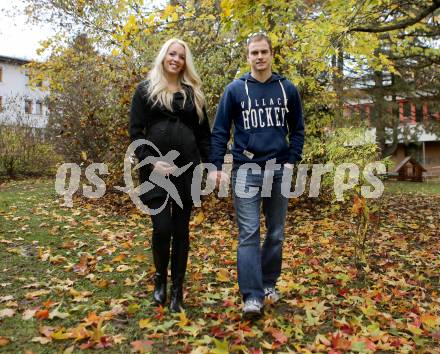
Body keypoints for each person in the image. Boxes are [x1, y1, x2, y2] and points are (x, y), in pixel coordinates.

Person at [208, 33, 304, 319]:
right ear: (247, 56)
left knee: (275, 234)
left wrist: (291, 162)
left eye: (264, 52)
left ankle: (268, 285)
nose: (259, 57)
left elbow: (297, 129)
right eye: (254, 53)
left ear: (272, 54)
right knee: (249, 233)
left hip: (278, 170)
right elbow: (220, 131)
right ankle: (251, 297)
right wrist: (216, 166)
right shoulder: (235, 90)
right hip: (245, 170)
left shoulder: (287, 89)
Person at [130, 38, 210, 312]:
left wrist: (210, 166)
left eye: (181, 56)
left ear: (186, 62)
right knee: (162, 228)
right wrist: (150, 162)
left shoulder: (193, 94)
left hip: (188, 170)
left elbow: (204, 135)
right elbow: (136, 133)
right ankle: (159, 279)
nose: (176, 59)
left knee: (181, 231)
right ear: (164, 56)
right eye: (172, 54)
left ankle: (177, 288)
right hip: (155, 172)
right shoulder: (146, 90)